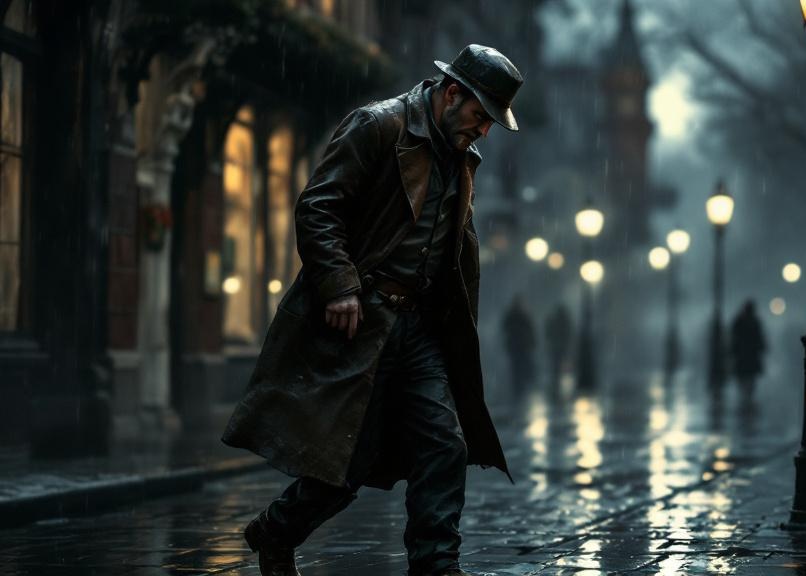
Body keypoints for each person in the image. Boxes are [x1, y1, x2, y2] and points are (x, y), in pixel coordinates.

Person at [221, 44, 524, 576]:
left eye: (491, 123)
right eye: (481, 117)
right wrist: (340, 285)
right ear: (453, 94)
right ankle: (275, 531)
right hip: (363, 322)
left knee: (444, 444)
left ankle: (437, 564)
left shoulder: (461, 154)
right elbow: (319, 207)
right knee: (345, 460)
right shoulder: (379, 126)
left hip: (422, 328)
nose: (483, 132)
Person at [729, 299, 766, 397]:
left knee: (746, 380)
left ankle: (746, 399)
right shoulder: (753, 322)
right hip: (748, 357)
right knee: (748, 380)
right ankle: (747, 399)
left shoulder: (741, 321)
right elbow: (760, 339)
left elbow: (733, 339)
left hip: (744, 357)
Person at [501, 294, 537, 392]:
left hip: (521, 347)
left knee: (520, 368)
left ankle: (520, 387)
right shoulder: (515, 316)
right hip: (516, 347)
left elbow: (530, 331)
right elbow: (505, 328)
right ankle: (518, 388)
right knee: (516, 368)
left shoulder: (521, 316)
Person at [544, 303, 572, 386]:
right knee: (561, 370)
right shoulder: (565, 321)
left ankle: (556, 386)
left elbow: (548, 333)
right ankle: (559, 386)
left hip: (556, 348)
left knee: (556, 370)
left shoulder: (554, 321)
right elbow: (568, 335)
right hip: (561, 349)